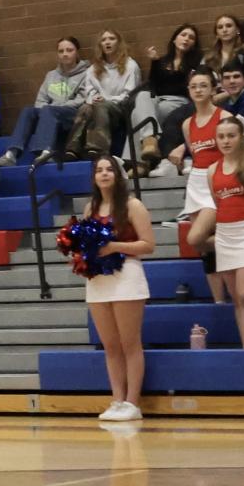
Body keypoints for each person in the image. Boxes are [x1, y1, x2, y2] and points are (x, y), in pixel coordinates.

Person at [81, 155, 156, 424]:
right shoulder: (90, 207)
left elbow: (148, 244)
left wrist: (115, 247)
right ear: (93, 177)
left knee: (129, 343)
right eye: (99, 170)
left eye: (109, 169)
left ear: (118, 174)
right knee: (110, 345)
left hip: (127, 276)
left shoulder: (133, 206)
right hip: (98, 279)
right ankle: (117, 399)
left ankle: (133, 403)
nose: (104, 174)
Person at [186, 118, 244, 350]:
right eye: (221, 137)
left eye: (231, 136)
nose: (225, 141)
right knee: (237, 299)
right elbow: (218, 203)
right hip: (225, 235)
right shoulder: (212, 171)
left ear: (241, 137)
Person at [0, 36, 98, 167]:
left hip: (73, 116)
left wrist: (53, 107)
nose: (65, 54)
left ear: (77, 52)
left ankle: (46, 151)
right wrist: (47, 109)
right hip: (50, 114)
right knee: (29, 110)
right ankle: (11, 154)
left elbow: (82, 99)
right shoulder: (51, 75)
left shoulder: (86, 73)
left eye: (69, 50)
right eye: (61, 51)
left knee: (49, 110)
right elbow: (40, 100)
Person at [165, 69, 228, 238]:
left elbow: (237, 154)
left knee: (195, 237)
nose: (198, 90)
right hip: (196, 182)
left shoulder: (224, 117)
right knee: (201, 245)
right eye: (193, 87)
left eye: (203, 86)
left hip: (217, 180)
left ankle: (232, 244)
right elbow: (194, 153)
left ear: (213, 90)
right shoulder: (187, 124)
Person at [135, 24, 201, 171]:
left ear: (194, 44)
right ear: (174, 39)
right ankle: (149, 141)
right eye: (183, 35)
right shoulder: (162, 60)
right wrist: (154, 62)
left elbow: (188, 90)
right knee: (142, 96)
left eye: (191, 38)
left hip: (178, 101)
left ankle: (141, 163)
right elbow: (153, 85)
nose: (186, 39)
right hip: (158, 99)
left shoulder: (195, 63)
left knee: (138, 116)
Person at [68, 28, 140, 159]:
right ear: (100, 45)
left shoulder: (131, 65)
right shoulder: (93, 68)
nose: (107, 42)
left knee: (101, 105)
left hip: (121, 109)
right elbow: (89, 92)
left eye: (111, 39)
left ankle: (98, 149)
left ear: (118, 43)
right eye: (103, 40)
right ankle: (72, 150)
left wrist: (105, 99)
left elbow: (130, 94)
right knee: (85, 107)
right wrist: (93, 98)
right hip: (98, 107)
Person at [202, 14, 244, 82]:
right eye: (220, 27)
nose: (224, 30)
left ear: (237, 30)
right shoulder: (209, 57)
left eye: (229, 26)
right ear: (217, 34)